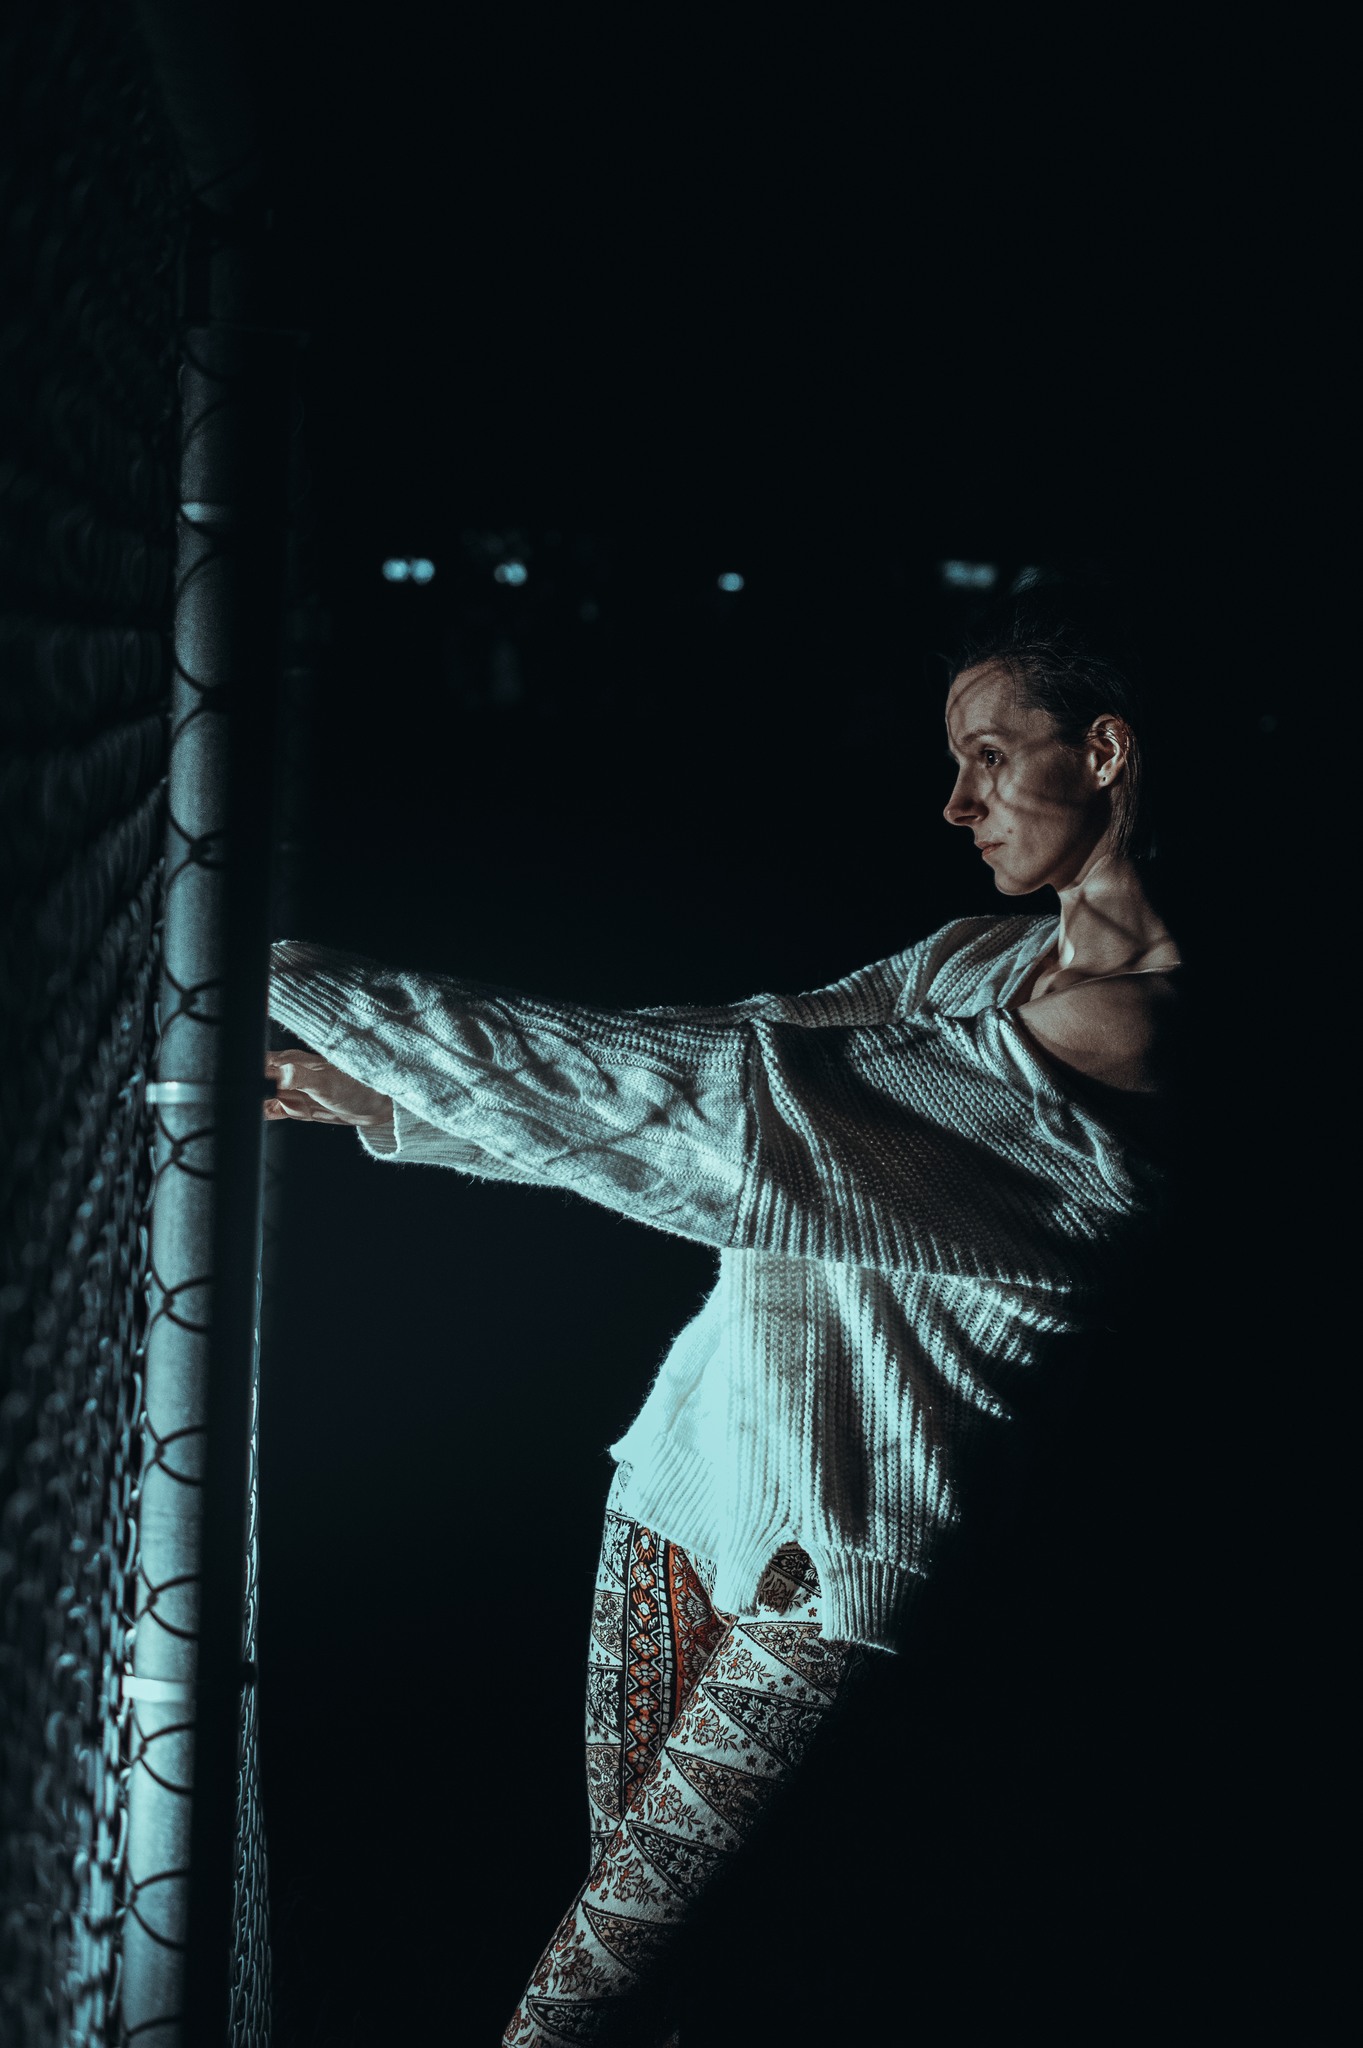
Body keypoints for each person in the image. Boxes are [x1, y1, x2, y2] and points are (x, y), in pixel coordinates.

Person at [263, 576, 1184, 2046]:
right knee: (656, 1979)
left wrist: (299, 983)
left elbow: (715, 1121)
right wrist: (399, 1090)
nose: (957, 802)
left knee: (582, 2002)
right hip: (683, 1488)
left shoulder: (1136, 1043)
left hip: (829, 1572)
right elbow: (717, 1053)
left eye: (990, 755)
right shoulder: (977, 961)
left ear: (1109, 752)